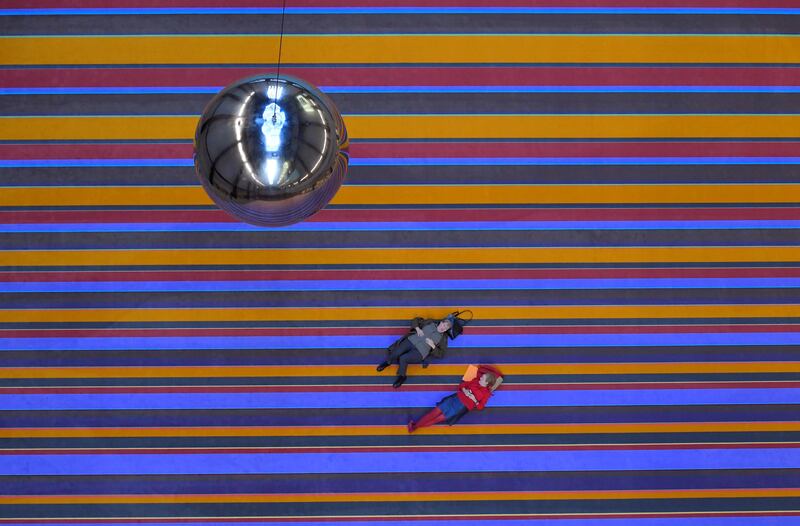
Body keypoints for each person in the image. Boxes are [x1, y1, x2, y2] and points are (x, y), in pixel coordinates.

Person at [407, 364, 503, 433]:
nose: (481, 377)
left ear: (486, 383)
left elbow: (480, 406)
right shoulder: (475, 381)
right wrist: (465, 390)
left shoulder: (486, 393)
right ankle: (415, 426)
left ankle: (415, 426)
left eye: (483, 377)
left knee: (437, 419)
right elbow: (462, 385)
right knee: (433, 413)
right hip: (455, 399)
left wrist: (473, 399)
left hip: (460, 408)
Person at [376, 316, 452, 388]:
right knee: (397, 352)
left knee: (403, 358)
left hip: (420, 351)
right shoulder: (430, 322)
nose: (443, 328)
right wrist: (418, 329)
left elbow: (441, 354)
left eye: (446, 328)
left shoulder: (443, 338)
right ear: (441, 322)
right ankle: (388, 362)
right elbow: (415, 320)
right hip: (412, 340)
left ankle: (402, 376)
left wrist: (433, 346)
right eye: (444, 325)